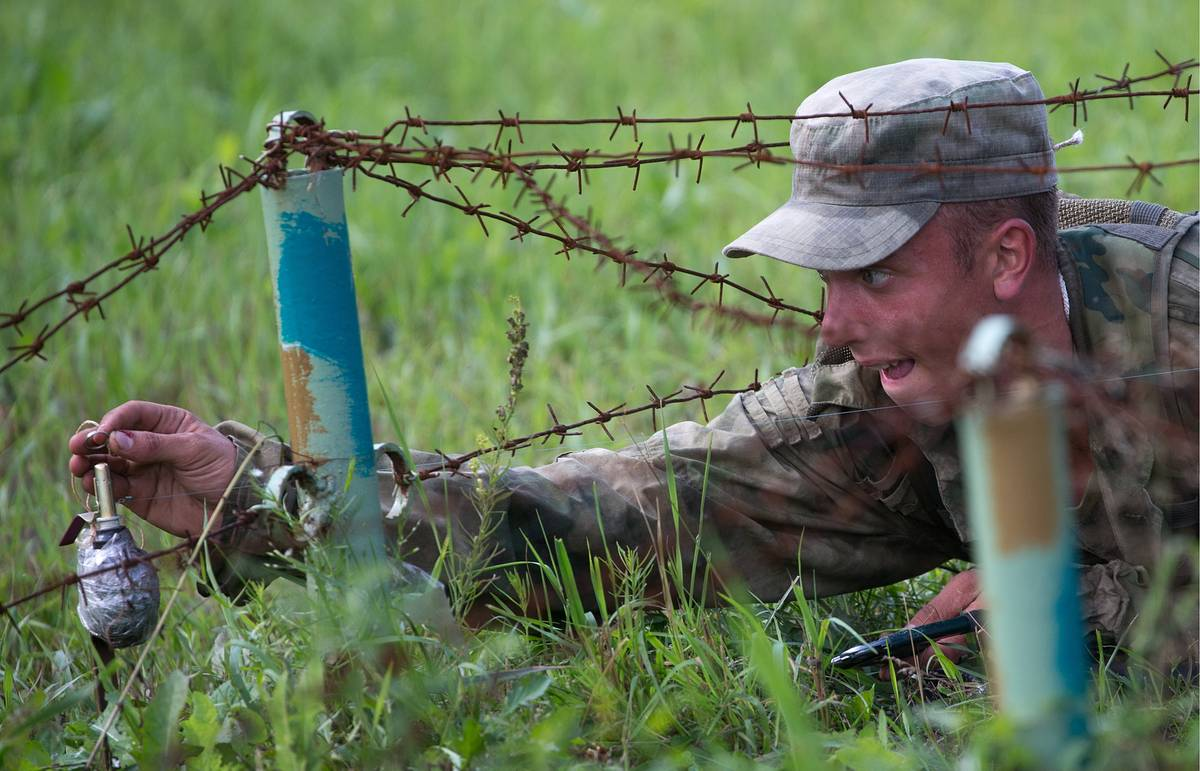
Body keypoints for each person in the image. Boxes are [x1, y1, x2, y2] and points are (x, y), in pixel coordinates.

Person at [68, 59, 1198, 664]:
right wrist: (264, 489)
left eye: (878, 275)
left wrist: (1076, 607)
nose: (832, 329)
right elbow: (589, 531)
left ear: (1006, 254)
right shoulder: (886, 400)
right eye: (825, 278)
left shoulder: (1180, 325)